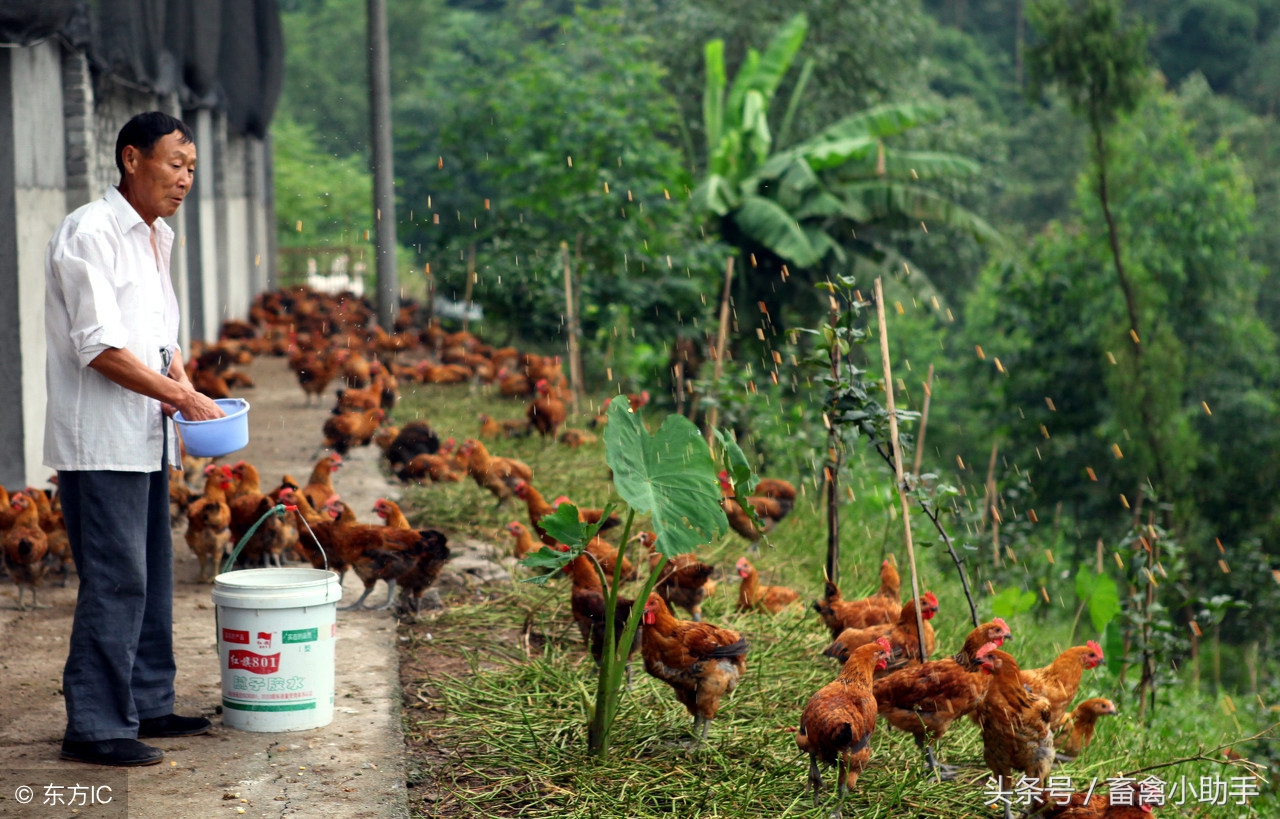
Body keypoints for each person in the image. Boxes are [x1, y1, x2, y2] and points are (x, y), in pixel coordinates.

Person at [45, 111, 224, 767]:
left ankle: (148, 702)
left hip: (146, 433)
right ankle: (94, 725)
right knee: (116, 578)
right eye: (175, 163)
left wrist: (180, 375)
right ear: (131, 158)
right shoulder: (90, 232)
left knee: (149, 574)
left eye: (192, 168)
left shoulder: (157, 236)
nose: (185, 178)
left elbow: (153, 335)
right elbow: (98, 346)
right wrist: (182, 397)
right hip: (101, 439)